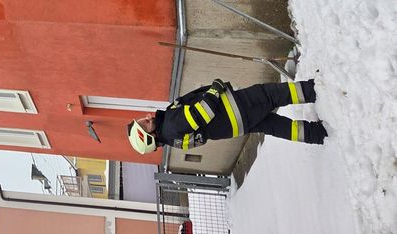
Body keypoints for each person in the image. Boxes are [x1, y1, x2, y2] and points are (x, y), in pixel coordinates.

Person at [126, 78, 328, 154]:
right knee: (271, 95)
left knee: (274, 126)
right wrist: (214, 91)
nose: (146, 117)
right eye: (144, 123)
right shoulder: (170, 125)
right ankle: (316, 89)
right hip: (236, 109)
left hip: (236, 124)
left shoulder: (171, 137)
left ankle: (317, 134)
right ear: (148, 134)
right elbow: (201, 114)